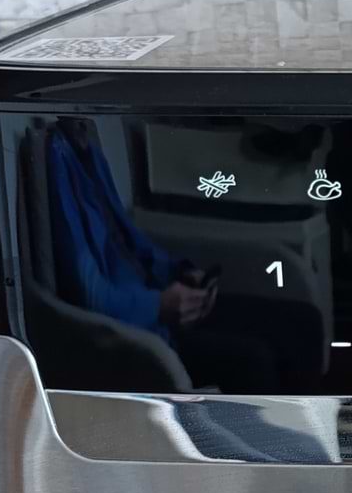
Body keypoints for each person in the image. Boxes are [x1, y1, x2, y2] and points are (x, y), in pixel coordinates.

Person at [45, 119, 283, 391]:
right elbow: (90, 295)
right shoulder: (58, 159)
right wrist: (160, 305)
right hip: (146, 332)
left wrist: (180, 271)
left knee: (299, 321)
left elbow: (130, 242)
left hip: (162, 297)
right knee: (256, 359)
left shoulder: (88, 150)